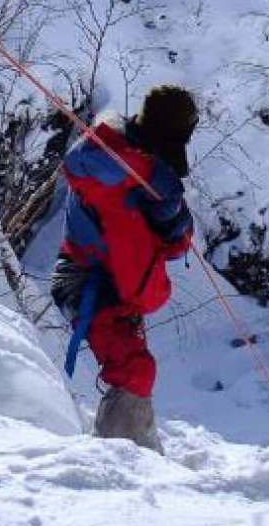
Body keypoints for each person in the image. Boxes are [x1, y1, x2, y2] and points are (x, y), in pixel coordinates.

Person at [51, 84, 197, 455]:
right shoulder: (106, 151)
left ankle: (136, 454)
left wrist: (175, 224)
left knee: (136, 372)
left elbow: (174, 245)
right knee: (134, 371)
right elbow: (80, 163)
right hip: (89, 281)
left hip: (120, 290)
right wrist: (146, 172)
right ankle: (125, 465)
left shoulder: (154, 170)